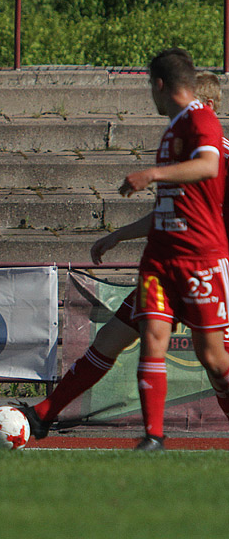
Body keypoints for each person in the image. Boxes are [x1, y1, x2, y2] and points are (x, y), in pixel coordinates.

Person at [18, 71, 228, 442]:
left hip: (208, 267)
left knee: (217, 366)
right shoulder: (181, 148)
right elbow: (169, 212)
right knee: (113, 338)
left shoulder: (219, 154)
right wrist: (118, 235)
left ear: (208, 107)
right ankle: (43, 414)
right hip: (170, 264)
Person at [119, 49, 229, 450]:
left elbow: (208, 166)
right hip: (162, 255)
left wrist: (151, 173)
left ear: (159, 85)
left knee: (214, 359)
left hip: (200, 255)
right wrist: (118, 236)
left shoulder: (202, 118)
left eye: (150, 85)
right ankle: (153, 436)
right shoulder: (175, 126)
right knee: (153, 336)